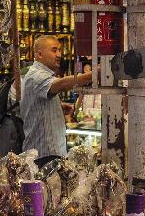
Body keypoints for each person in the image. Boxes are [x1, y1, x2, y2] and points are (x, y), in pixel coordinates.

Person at [20, 36, 92, 167]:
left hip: (50, 153)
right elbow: (62, 84)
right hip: (44, 155)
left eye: (59, 50)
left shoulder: (42, 75)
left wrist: (58, 107)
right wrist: (93, 75)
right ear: (40, 53)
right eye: (54, 50)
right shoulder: (35, 76)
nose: (59, 54)